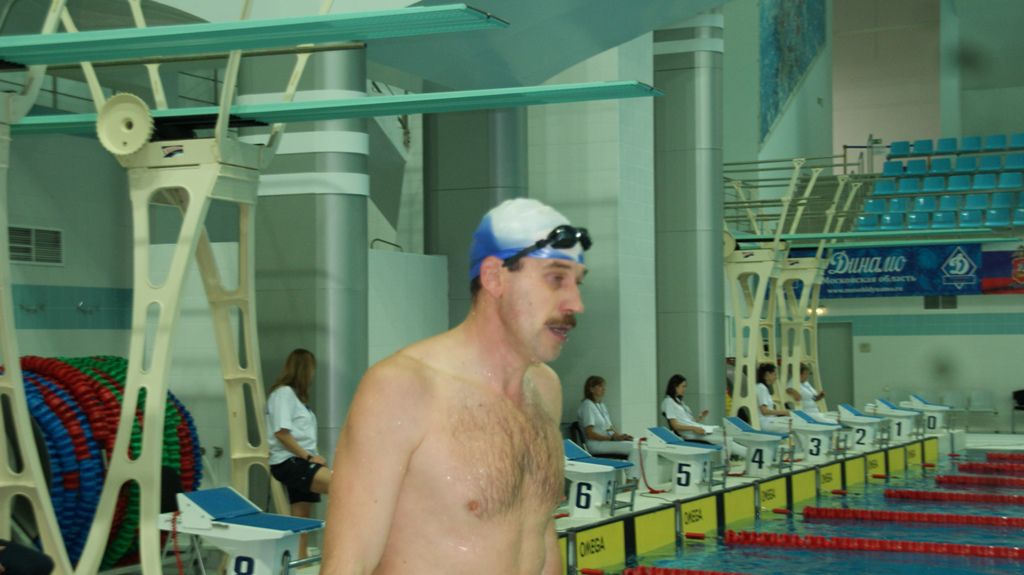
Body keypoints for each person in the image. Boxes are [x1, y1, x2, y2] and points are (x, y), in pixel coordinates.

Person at [322, 198, 590, 575]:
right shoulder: (402, 388)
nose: (575, 304)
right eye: (555, 279)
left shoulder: (545, 389)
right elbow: (349, 563)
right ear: (494, 277)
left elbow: (540, 536)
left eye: (578, 283)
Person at [267, 348, 332, 559]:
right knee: (344, 487)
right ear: (305, 369)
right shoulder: (283, 394)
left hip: (300, 460)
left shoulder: (297, 399)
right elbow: (281, 433)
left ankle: (299, 562)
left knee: (302, 519)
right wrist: (309, 457)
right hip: (290, 462)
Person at [660, 374, 746, 459]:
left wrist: (700, 418)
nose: (684, 389)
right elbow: (675, 425)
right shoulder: (668, 402)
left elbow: (688, 422)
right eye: (683, 386)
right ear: (675, 386)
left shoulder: (679, 402)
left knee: (726, 437)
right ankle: (747, 455)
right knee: (725, 438)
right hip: (688, 433)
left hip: (694, 430)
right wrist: (694, 428)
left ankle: (746, 454)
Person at [577, 375, 639, 475]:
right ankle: (631, 479)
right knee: (634, 448)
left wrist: (619, 437)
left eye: (603, 386)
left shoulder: (601, 405)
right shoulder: (587, 405)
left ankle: (632, 478)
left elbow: (609, 428)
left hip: (606, 442)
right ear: (591, 389)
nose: (604, 389)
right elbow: (590, 434)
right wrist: (611, 439)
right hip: (596, 445)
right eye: (600, 386)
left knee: (639, 445)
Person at [755, 363, 790, 433]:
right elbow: (764, 411)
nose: (776, 377)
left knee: (792, 422)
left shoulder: (761, 387)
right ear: (767, 375)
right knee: (793, 425)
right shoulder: (761, 388)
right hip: (766, 422)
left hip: (769, 420)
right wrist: (784, 412)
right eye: (774, 374)